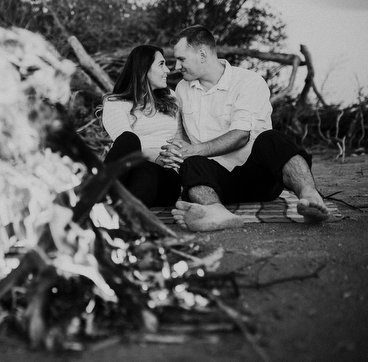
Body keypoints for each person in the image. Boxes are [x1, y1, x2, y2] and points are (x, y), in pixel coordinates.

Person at [159, 25, 331, 231]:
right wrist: (177, 151)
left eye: (182, 59)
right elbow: (183, 139)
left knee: (272, 138)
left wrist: (194, 149)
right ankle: (215, 211)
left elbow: (241, 136)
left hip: (258, 177)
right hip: (216, 183)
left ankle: (310, 196)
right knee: (192, 164)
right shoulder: (182, 89)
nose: (176, 66)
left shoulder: (248, 81)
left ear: (202, 54)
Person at [100, 44, 182, 207]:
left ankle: (98, 204)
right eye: (161, 64)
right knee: (130, 141)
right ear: (143, 69)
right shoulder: (115, 103)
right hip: (129, 176)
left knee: (146, 170)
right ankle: (118, 215)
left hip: (165, 180)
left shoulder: (171, 98)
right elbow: (125, 146)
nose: (167, 70)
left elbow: (180, 140)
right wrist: (155, 157)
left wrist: (176, 157)